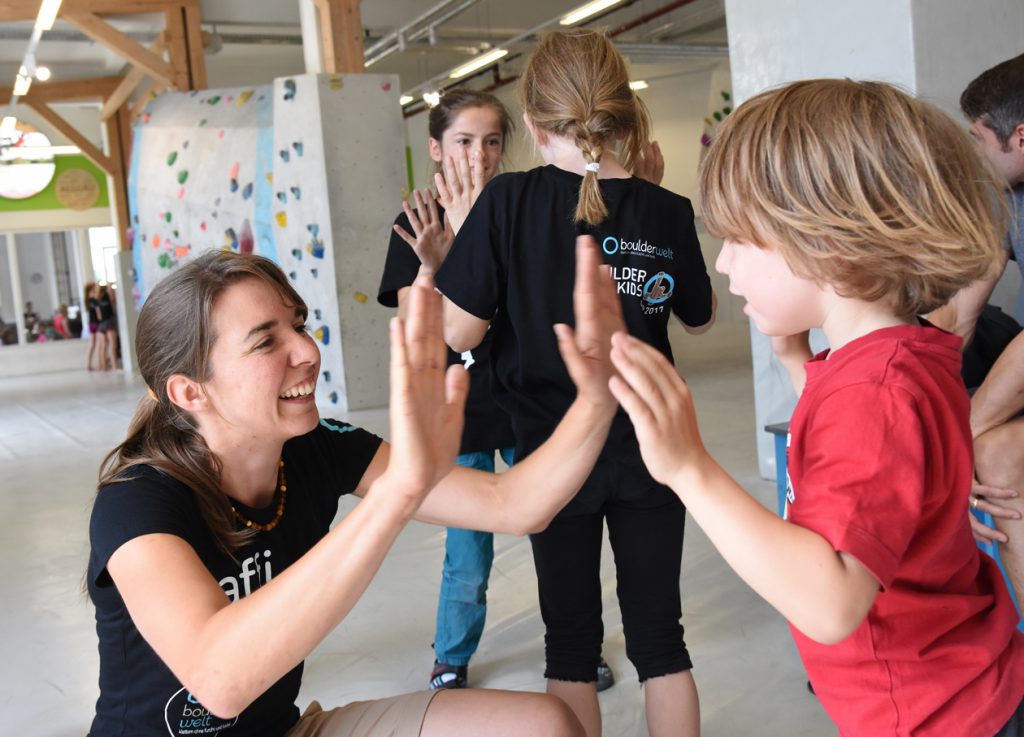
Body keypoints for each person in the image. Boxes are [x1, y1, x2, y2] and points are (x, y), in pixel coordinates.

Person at [607, 79, 1024, 737]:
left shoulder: (873, 393)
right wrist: (795, 361)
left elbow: (831, 602)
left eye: (743, 241)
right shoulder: (902, 351)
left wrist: (690, 467)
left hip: (932, 714)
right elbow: (865, 463)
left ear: (828, 242)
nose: (722, 262)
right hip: (963, 687)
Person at [87, 242, 623, 737]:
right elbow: (219, 680)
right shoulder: (136, 499)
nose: (307, 351)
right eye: (266, 341)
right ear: (189, 391)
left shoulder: (317, 447)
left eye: (300, 325)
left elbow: (513, 505)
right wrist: (396, 497)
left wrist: (595, 403)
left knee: (543, 725)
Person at [428, 29, 716, 737]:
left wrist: (463, 241)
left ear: (529, 122)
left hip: (554, 456)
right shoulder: (664, 207)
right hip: (653, 447)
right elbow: (700, 318)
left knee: (571, 646)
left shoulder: (505, 203)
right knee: (661, 641)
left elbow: (457, 333)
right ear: (624, 113)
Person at [379, 88, 616, 693]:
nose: (478, 156)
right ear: (435, 149)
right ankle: (451, 655)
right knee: (467, 553)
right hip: (459, 411)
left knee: (555, 534)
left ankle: (576, 645)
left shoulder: (526, 208)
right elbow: (419, 334)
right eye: (463, 141)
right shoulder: (414, 224)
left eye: (491, 142)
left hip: (528, 404)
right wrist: (439, 259)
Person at [926, 53, 1024, 606]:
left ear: (1021, 138)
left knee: (987, 446)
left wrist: (960, 432)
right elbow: (964, 310)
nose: (974, 152)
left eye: (978, 137)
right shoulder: (1009, 197)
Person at [84, 281, 108, 371]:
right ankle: (100, 364)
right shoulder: (93, 297)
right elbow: (98, 311)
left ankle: (89, 364)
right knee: (98, 344)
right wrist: (101, 319)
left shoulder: (87, 298)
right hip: (97, 323)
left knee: (91, 344)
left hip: (91, 323)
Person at [97, 283, 120, 370]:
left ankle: (103, 367)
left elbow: (98, 315)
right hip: (109, 323)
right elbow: (113, 298)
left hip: (102, 324)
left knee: (103, 347)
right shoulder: (108, 297)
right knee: (113, 346)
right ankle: (114, 366)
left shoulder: (98, 299)